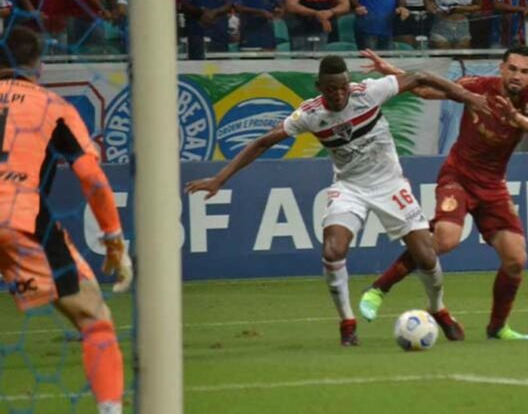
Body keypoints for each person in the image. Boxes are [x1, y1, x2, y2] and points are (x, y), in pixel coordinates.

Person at [185, 55, 491, 345]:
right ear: (320, 88)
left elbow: (421, 76)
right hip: (350, 187)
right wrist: (219, 179)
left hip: (390, 184)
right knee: (333, 249)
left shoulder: (369, 92)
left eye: (344, 86)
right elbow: (263, 142)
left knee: (426, 256)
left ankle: (438, 309)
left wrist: (468, 97)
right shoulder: (310, 114)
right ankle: (347, 323)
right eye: (332, 89)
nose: (340, 94)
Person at [358, 45, 528, 341]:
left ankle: (497, 327)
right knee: (446, 239)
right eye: (512, 69)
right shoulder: (478, 87)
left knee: (516, 259)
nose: (517, 76)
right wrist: (392, 73)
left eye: (524, 71)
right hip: (458, 175)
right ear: (501, 68)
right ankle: (379, 289)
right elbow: (425, 90)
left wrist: (517, 118)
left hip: (493, 185)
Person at [0, 26, 131, 414]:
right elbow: (91, 177)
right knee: (95, 319)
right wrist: (114, 240)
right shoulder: (51, 106)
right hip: (17, 216)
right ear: (37, 66)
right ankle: (110, 410)